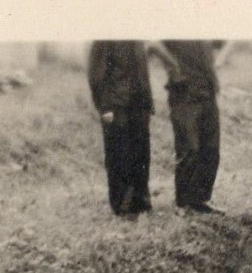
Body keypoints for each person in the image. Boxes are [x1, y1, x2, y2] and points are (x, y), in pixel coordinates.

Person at [86, 40, 154, 216]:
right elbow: (96, 74)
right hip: (116, 105)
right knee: (118, 155)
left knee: (141, 153)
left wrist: (148, 103)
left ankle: (141, 200)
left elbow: (143, 71)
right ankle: (122, 203)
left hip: (139, 104)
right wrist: (105, 107)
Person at [153, 40, 222, 213]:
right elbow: (154, 43)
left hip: (207, 92)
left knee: (211, 148)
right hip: (184, 94)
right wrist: (173, 65)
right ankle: (183, 203)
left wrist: (217, 65)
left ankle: (200, 200)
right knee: (189, 148)